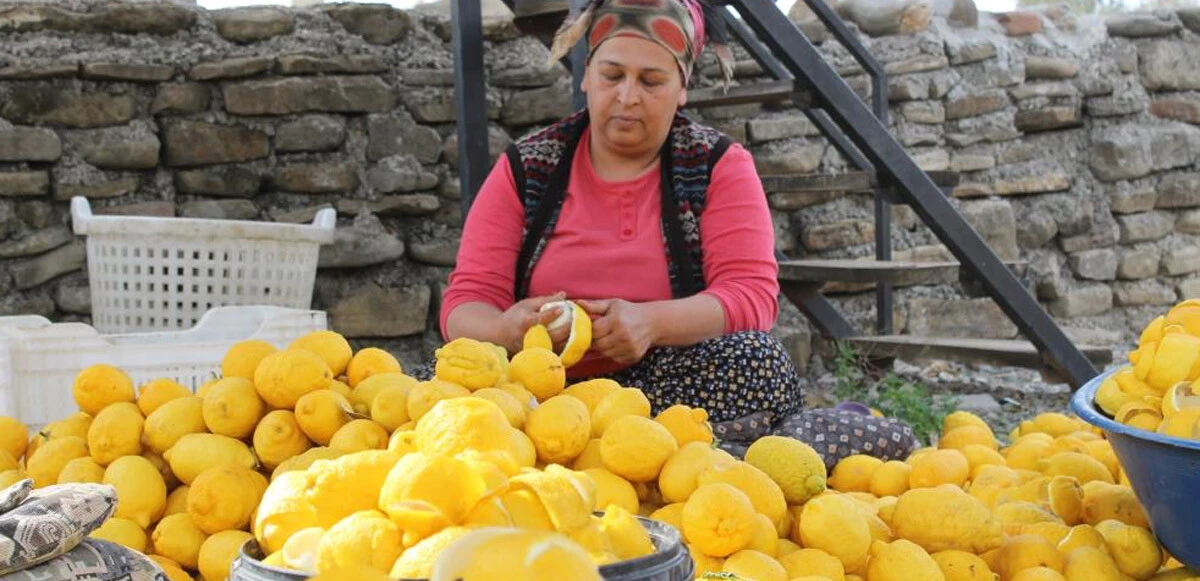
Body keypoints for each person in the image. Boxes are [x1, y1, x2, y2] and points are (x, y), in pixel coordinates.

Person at [423, 0, 917, 466]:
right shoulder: (527, 167)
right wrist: (506, 329)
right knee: (429, 388)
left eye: (651, 80)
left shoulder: (717, 166)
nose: (627, 96)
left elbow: (751, 297)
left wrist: (650, 324)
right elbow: (466, 301)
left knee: (756, 361)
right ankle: (709, 456)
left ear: (682, 88)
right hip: (536, 392)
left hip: (667, 389)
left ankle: (625, 456)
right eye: (612, 75)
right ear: (587, 78)